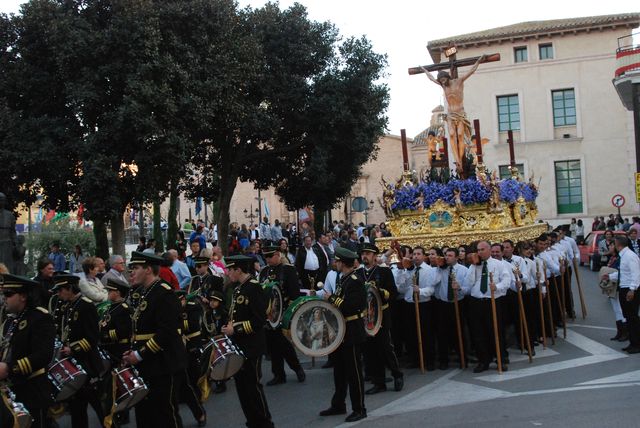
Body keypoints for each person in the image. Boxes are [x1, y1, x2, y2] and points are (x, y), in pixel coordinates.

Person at [122, 251, 186, 428]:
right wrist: (133, 350)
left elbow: (167, 333)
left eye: (135, 268)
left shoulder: (164, 293)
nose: (131, 273)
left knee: (165, 415)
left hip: (163, 364)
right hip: (148, 364)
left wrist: (140, 354)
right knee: (145, 415)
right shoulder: (146, 292)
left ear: (148, 269)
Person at [221, 255, 274, 428]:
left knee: (253, 387)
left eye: (230, 269)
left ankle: (264, 422)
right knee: (242, 388)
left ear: (238, 269)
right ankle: (252, 421)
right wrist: (230, 326)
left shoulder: (254, 288)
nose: (228, 273)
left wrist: (235, 329)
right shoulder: (238, 288)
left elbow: (259, 320)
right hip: (239, 345)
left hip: (252, 346)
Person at [0, 273, 56, 428]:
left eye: (9, 294)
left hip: (32, 391)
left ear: (23, 296)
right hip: (11, 391)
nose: (4, 297)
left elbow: (43, 355)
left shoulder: (39, 317)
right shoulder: (10, 321)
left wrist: (9, 368)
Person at [319, 247, 367, 422]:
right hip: (340, 331)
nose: (335, 263)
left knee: (354, 373)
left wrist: (331, 298)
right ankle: (338, 404)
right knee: (339, 371)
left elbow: (352, 306)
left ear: (342, 262)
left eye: (337, 261)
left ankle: (359, 408)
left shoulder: (355, 280)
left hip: (352, 332)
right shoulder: (343, 279)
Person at [54, 274, 105, 427]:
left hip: (87, 362)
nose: (58, 293)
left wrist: (73, 349)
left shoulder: (86, 305)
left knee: (98, 404)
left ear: (70, 289)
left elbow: (93, 337)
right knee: (77, 406)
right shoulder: (67, 305)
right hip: (74, 364)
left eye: (61, 290)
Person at [421, 55, 485, 174]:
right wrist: (424, 70)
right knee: (451, 134)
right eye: (440, 81)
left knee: (460, 135)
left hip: (460, 114)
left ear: (447, 77)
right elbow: (431, 78)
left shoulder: (458, 81)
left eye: (443, 80)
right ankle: (457, 161)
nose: (442, 82)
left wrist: (478, 61)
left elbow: (471, 71)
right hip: (450, 115)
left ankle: (461, 159)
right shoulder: (443, 86)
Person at [359, 243, 404, 394]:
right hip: (367, 318)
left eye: (368, 253)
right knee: (371, 350)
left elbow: (393, 293)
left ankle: (397, 375)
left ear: (374, 256)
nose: (365, 256)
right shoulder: (358, 274)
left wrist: (379, 291)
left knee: (385, 347)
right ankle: (379, 382)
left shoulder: (384, 272)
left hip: (381, 314)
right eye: (363, 253)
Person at [259, 246, 305, 386]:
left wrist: (289, 313)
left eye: (270, 256)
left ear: (278, 255)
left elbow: (294, 293)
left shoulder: (288, 270)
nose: (267, 259)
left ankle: (297, 368)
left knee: (284, 344)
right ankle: (278, 374)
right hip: (269, 315)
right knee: (273, 346)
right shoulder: (264, 271)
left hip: (283, 312)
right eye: (265, 257)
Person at [463, 241, 511, 373]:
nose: (479, 252)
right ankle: (483, 360)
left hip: (493, 301)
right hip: (476, 301)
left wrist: (497, 287)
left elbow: (507, 281)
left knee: (495, 331)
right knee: (478, 332)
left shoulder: (499, 265)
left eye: (482, 249)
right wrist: (474, 266)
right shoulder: (473, 266)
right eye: (478, 250)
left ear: (489, 250)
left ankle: (500, 358)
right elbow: (469, 283)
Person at [395, 246, 438, 370]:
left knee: (426, 333)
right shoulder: (409, 270)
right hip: (409, 305)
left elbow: (431, 289)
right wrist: (401, 271)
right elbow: (401, 288)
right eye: (414, 254)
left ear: (424, 256)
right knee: (411, 333)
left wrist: (420, 291)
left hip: (424, 304)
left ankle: (429, 360)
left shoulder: (429, 270)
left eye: (419, 254)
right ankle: (415, 359)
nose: (416, 257)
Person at [99, 277, 133, 426]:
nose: (108, 293)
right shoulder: (111, 307)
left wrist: (104, 335)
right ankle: (117, 413)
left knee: (118, 384)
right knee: (111, 385)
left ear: (118, 293)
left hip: (119, 349)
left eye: (110, 291)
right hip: (109, 349)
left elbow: (124, 331)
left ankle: (119, 414)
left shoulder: (124, 309)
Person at [434, 247, 469, 369]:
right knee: (442, 333)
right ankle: (444, 360)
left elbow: (468, 289)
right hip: (443, 304)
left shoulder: (464, 270)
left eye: (450, 255)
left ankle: (463, 358)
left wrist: (459, 287)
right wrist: (439, 267)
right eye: (446, 255)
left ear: (456, 257)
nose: (447, 257)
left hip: (457, 303)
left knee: (458, 331)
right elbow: (434, 282)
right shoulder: (441, 269)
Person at [176, 291, 208, 427]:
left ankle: (199, 411)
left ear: (183, 299)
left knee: (192, 378)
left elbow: (192, 325)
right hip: (178, 348)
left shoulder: (192, 306)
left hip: (192, 345)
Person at [604, 236, 640, 354]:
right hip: (623, 288)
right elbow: (623, 273)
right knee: (628, 317)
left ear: (619, 244)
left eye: (613, 244)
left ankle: (637, 344)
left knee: (633, 317)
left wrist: (632, 290)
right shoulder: (623, 256)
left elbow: (636, 274)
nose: (612, 246)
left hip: (630, 289)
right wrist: (609, 276)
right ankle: (632, 342)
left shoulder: (630, 256)